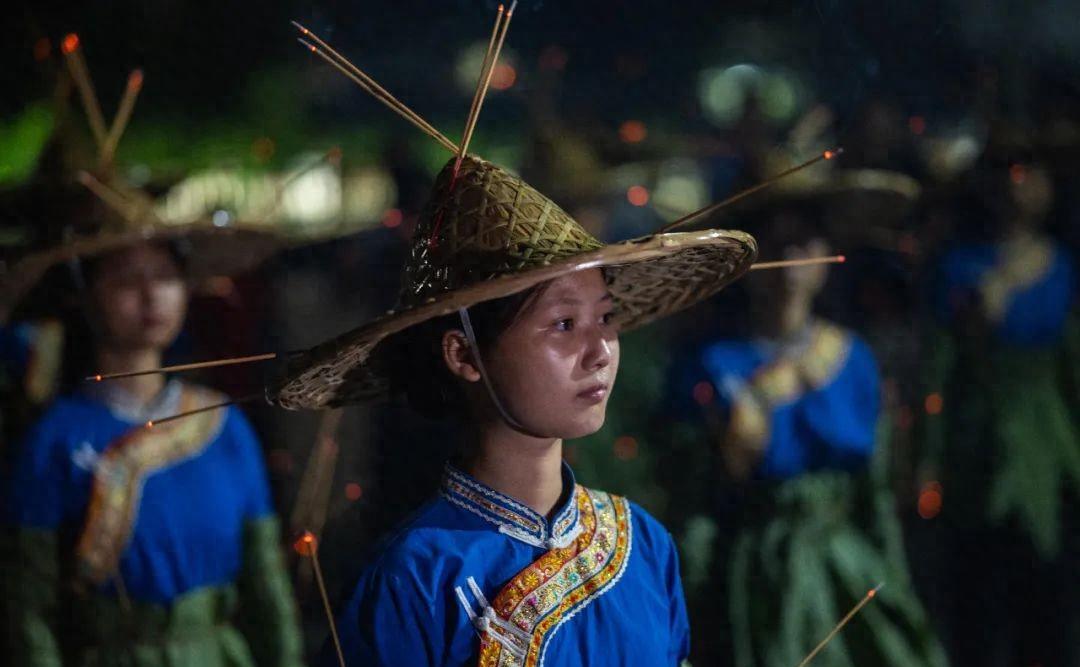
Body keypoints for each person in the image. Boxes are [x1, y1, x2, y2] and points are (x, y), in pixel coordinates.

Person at [265, 154, 758, 666]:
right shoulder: (415, 575)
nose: (602, 351)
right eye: (565, 324)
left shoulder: (645, 545)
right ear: (464, 354)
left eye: (606, 318)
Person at [667, 175, 946, 667]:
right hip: (755, 572)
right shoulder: (713, 365)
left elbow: (874, 487)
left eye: (804, 242)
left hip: (843, 564)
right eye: (775, 245)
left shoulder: (852, 357)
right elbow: (697, 496)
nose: (790, 259)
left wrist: (894, 579)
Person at [3, 233, 302, 666]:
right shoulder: (53, 441)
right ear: (87, 295)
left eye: (165, 276)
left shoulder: (224, 425)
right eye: (127, 280)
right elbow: (28, 609)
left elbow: (266, 588)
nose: (151, 295)